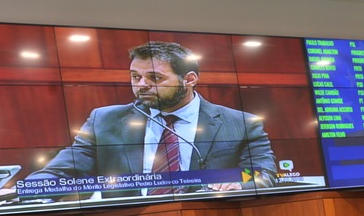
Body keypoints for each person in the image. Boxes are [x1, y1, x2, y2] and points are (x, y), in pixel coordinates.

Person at [22, 40, 277, 199]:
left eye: (155, 78)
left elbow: (261, 173)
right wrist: (26, 190)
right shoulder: (105, 120)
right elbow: (59, 172)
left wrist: (238, 182)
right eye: (135, 77)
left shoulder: (240, 124)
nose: (141, 85)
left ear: (189, 79)